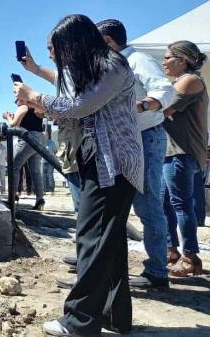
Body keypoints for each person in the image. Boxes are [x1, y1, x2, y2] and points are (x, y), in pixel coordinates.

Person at [15, 14, 143, 337]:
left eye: (58, 49)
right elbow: (76, 101)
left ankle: (80, 321)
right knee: (108, 243)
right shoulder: (101, 66)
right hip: (104, 162)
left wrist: (37, 98)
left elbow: (82, 105)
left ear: (75, 44)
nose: (56, 57)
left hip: (112, 165)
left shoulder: (113, 65)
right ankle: (115, 316)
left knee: (92, 239)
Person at [97, 19, 176, 288]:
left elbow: (164, 90)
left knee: (148, 203)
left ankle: (157, 271)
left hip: (146, 137)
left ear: (108, 42)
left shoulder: (138, 59)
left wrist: (139, 107)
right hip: (125, 140)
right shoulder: (112, 65)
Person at [160, 40, 207, 277]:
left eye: (167, 57)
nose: (163, 62)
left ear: (182, 59)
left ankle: (190, 257)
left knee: (180, 204)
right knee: (165, 203)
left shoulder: (190, 80)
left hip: (182, 152)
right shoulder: (179, 81)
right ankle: (172, 252)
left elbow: (163, 109)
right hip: (172, 152)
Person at [20, 47, 82, 215]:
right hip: (70, 143)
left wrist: (35, 97)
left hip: (79, 144)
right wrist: (35, 69)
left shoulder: (82, 73)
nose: (49, 55)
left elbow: (77, 107)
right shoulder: (68, 76)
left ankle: (13, 199)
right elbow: (61, 109)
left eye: (52, 49)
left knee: (15, 164)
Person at [2, 101, 46, 209]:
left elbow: (13, 125)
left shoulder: (23, 107)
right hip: (40, 137)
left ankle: (12, 198)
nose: (15, 102)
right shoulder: (35, 106)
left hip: (28, 137)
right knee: (35, 171)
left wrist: (7, 117)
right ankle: (40, 199)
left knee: (14, 167)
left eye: (17, 99)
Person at [42, 127, 56, 194]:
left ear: (48, 136)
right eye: (44, 136)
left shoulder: (52, 142)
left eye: (46, 135)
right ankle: (45, 188)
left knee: (50, 174)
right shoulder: (41, 143)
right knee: (43, 175)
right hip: (43, 161)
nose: (45, 137)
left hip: (50, 161)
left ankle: (51, 189)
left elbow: (55, 151)